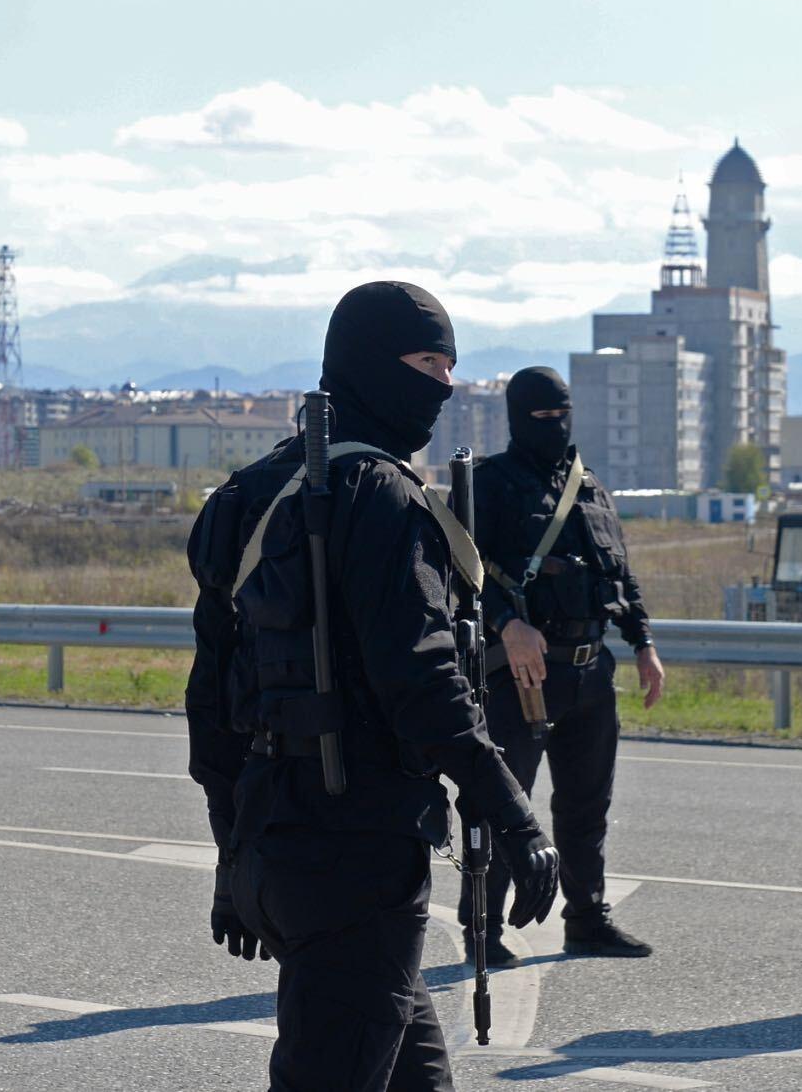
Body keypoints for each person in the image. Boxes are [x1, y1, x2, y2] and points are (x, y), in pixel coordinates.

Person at [186, 281, 561, 1092]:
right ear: (367, 363)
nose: (444, 383)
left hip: (279, 847)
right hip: (358, 855)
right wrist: (514, 812)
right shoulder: (382, 497)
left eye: (451, 364)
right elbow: (422, 680)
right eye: (427, 360)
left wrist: (233, 857)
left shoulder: (246, 496)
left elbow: (212, 706)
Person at [463, 367, 666, 966]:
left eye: (562, 414)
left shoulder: (590, 486)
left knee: (586, 806)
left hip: (589, 672)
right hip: (521, 674)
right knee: (508, 804)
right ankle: (484, 927)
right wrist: (506, 622)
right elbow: (455, 569)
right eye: (542, 417)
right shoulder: (487, 485)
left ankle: (587, 920)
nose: (555, 426)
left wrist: (644, 643)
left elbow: (618, 573)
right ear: (517, 417)